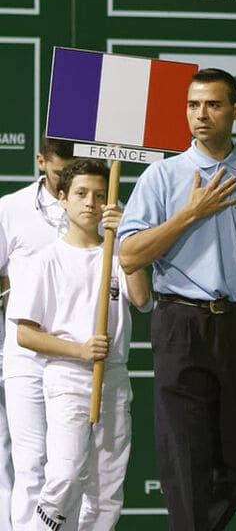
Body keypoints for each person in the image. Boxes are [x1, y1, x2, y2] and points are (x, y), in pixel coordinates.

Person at [116, 68, 236, 531]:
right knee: (184, 456)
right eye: (193, 105)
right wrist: (189, 214)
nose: (201, 115)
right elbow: (129, 254)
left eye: (212, 104)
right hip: (180, 324)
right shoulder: (163, 175)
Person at [10, 158, 152, 531]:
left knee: (107, 491)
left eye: (101, 195)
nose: (91, 203)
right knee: (66, 475)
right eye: (82, 194)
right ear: (62, 198)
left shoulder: (120, 256)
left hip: (114, 378)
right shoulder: (45, 262)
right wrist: (80, 350)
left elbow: (141, 299)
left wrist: (125, 239)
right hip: (68, 378)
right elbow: (25, 334)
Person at [0, 136, 118, 530]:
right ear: (41, 161)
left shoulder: (106, 225)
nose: (66, 170)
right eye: (61, 164)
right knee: (34, 465)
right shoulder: (11, 208)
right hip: (28, 357)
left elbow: (137, 293)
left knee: (89, 476)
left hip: (86, 360)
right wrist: (20, 297)